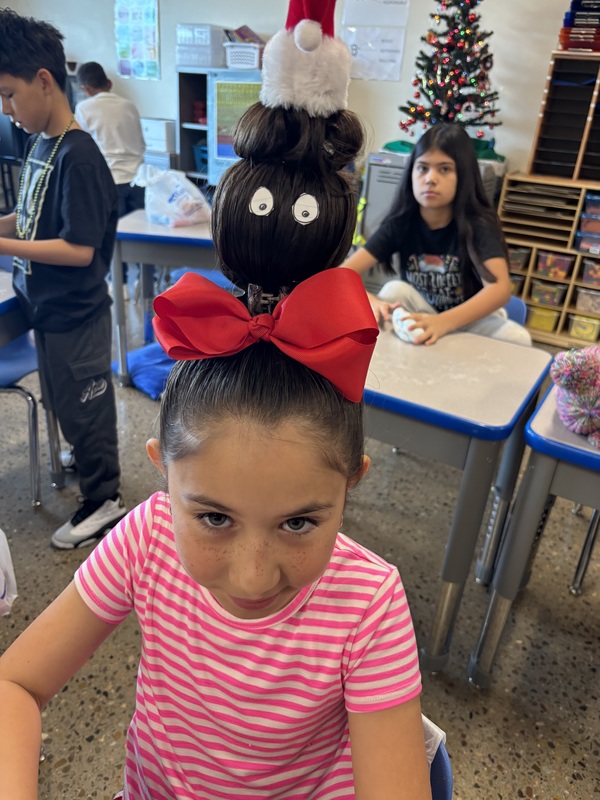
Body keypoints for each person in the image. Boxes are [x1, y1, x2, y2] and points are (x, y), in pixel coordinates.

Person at [0, 2, 434, 798]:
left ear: (353, 482)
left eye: (301, 522)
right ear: (162, 474)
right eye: (213, 517)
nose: (251, 576)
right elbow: (14, 685)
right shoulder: (145, 540)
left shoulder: (368, 606)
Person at [0, 9, 126, 548]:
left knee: (88, 405)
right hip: (45, 309)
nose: (6, 108)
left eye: (9, 94)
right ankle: (83, 454)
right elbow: (28, 218)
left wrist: (1, 244)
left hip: (77, 316)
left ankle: (105, 499)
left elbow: (78, 249)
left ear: (45, 82)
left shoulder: (79, 156)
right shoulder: (40, 144)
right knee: (63, 400)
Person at [344, 124, 532, 346]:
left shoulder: (479, 224)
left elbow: (499, 290)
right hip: (423, 314)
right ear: (411, 173)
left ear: (464, 176)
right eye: (422, 168)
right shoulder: (401, 223)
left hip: (468, 319)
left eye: (444, 169)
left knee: (518, 338)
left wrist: (443, 322)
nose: (430, 179)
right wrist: (371, 301)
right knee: (395, 290)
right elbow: (344, 274)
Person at [75, 61, 146, 299]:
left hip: (109, 181)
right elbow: (141, 142)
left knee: (113, 237)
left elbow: (82, 147)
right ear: (109, 83)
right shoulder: (129, 105)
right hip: (137, 178)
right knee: (143, 236)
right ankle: (147, 282)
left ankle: (121, 284)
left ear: (85, 88)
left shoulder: (83, 108)